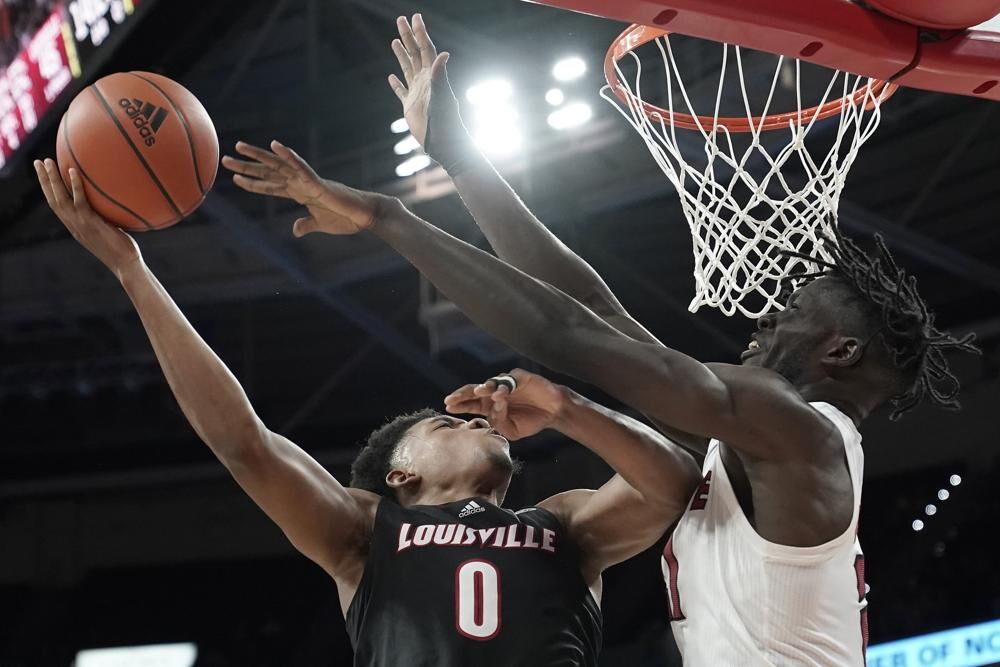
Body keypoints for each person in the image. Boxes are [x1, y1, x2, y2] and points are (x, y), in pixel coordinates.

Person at [222, 17, 978, 663]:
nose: (764, 324)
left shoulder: (796, 431)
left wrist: (389, 218)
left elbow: (569, 332)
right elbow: (588, 304)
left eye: (789, 319)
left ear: (839, 353)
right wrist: (454, 151)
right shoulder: (765, 442)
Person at [34, 158, 700, 666]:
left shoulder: (565, 522)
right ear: (401, 474)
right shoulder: (366, 533)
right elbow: (246, 443)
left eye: (472, 418)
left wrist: (570, 410)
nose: (477, 419)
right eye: (447, 422)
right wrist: (131, 272)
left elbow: (672, 481)